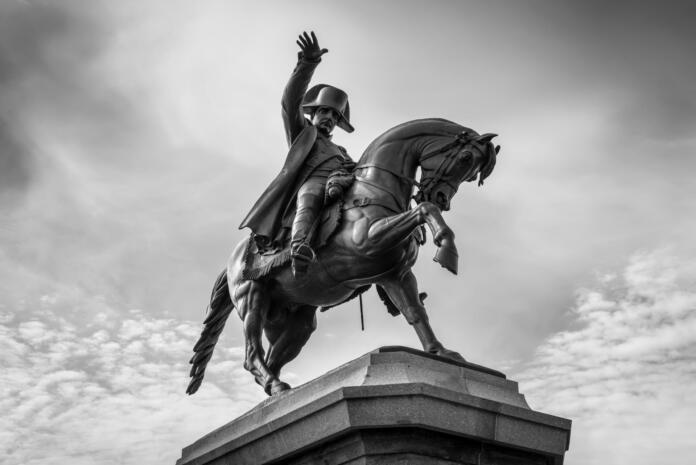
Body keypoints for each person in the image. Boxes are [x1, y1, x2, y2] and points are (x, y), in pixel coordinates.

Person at [239, 31, 355, 276]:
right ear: (313, 113)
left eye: (335, 116)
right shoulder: (303, 132)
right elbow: (290, 101)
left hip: (340, 187)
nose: (330, 119)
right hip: (312, 187)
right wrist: (308, 64)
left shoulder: (341, 152)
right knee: (311, 192)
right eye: (325, 111)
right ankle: (299, 246)